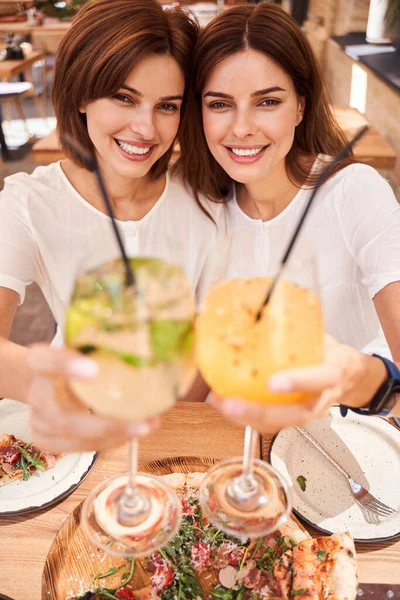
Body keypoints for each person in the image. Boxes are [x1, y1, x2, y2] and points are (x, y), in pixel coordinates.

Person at [0, 0, 217, 453]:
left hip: (184, 424)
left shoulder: (207, 199)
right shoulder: (28, 202)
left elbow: (211, 339)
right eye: (123, 97)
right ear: (81, 93)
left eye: (167, 106)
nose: (145, 128)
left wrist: (164, 427)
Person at [175, 2, 400, 364]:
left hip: (357, 419)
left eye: (267, 101)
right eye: (219, 104)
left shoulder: (355, 192)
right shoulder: (196, 204)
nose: (242, 127)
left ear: (300, 107)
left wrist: (360, 385)